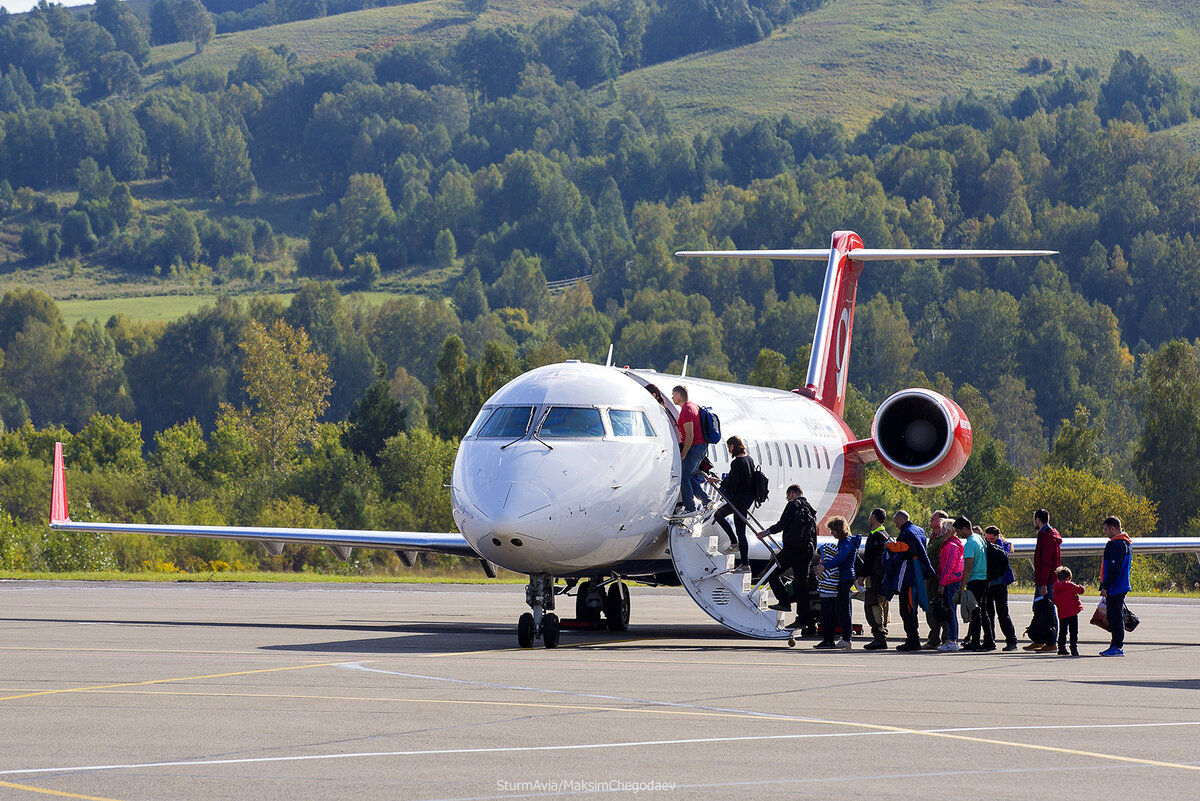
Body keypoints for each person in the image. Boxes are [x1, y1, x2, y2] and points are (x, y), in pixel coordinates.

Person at [762, 484, 819, 631]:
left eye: (788, 496)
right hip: (807, 550)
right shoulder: (811, 509)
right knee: (801, 586)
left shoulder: (793, 505)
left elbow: (782, 524)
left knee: (770, 572)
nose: (788, 499)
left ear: (792, 494)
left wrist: (766, 532)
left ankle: (784, 600)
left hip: (792, 549)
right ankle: (802, 620)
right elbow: (813, 533)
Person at [885, 510, 935, 651]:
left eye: (896, 523)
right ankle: (913, 639)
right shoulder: (919, 530)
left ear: (900, 520)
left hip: (910, 575)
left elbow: (908, 550)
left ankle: (913, 640)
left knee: (907, 608)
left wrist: (891, 546)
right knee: (912, 607)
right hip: (918, 572)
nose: (896, 526)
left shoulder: (906, 533)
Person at [711, 436, 755, 572]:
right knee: (720, 516)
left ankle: (745, 563)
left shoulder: (737, 463)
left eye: (729, 446)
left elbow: (733, 483)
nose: (729, 450)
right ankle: (735, 545)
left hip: (738, 501)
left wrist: (718, 481)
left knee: (739, 530)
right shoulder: (749, 459)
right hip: (746, 500)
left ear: (733, 446)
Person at [819, 516, 860, 649]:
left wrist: (826, 566)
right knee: (841, 609)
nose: (831, 533)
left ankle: (847, 639)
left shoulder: (846, 543)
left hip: (845, 578)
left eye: (833, 530)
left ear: (839, 530)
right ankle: (845, 638)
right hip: (845, 578)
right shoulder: (844, 542)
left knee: (843, 609)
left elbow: (841, 558)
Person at [1026, 508, 1062, 652]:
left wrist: (1042, 584)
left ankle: (1051, 641)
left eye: (1034, 519)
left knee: (1048, 610)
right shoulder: (1047, 534)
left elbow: (1046, 562)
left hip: (1047, 581)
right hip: (1046, 580)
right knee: (1040, 609)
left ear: (1038, 520)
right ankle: (1040, 639)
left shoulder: (1047, 537)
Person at [671, 385, 711, 514]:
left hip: (694, 447)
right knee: (690, 476)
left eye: (673, 394)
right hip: (701, 447)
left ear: (679, 395)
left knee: (684, 477)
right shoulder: (693, 405)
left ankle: (690, 508)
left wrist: (683, 453)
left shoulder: (686, 410)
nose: (672, 397)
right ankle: (706, 501)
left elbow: (690, 434)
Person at [1100, 516, 1133, 657]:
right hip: (1119, 585)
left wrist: (1105, 586)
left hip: (1116, 586)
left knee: (1115, 617)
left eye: (1107, 530)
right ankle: (1115, 644)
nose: (1106, 533)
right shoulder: (1124, 543)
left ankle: (1117, 646)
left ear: (1113, 528)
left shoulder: (1118, 544)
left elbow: (1114, 568)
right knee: (1115, 615)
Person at [860, 508, 893, 650]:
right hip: (882, 578)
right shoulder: (885, 535)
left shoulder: (877, 536)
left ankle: (879, 637)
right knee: (881, 605)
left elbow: (870, 560)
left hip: (875, 578)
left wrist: (862, 575)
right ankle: (880, 636)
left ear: (873, 517)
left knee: (872, 605)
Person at [959, 518, 993, 651]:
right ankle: (989, 640)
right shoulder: (979, 539)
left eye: (959, 531)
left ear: (964, 529)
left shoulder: (969, 544)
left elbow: (968, 567)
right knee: (982, 611)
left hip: (975, 580)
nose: (958, 534)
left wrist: (962, 586)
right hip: (984, 579)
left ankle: (975, 642)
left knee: (975, 612)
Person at [983, 526, 1019, 651]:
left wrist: (997, 542)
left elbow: (1004, 555)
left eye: (991, 539)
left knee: (1002, 613)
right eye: (987, 539)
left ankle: (1011, 640)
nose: (989, 541)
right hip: (989, 583)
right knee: (988, 613)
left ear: (997, 536)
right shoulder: (985, 546)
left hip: (1000, 584)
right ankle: (990, 640)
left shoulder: (1005, 544)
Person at [936, 520, 964, 651]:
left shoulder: (951, 546)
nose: (941, 531)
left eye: (944, 528)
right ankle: (950, 639)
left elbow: (948, 567)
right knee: (949, 611)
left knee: (951, 611)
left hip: (951, 581)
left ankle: (953, 640)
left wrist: (942, 583)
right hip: (951, 580)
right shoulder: (950, 544)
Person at [924, 509, 949, 649]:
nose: (930, 521)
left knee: (941, 607)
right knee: (931, 607)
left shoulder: (943, 539)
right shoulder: (933, 537)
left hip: (938, 578)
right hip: (930, 577)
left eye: (933, 519)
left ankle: (945, 638)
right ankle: (933, 638)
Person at [812, 537, 841, 649]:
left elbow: (820, 577)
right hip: (831, 593)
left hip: (827, 594)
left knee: (827, 618)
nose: (820, 559)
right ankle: (829, 640)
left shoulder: (828, 568)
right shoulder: (834, 566)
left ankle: (827, 640)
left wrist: (819, 571)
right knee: (829, 618)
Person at [1052, 566, 1085, 656]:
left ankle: (1061, 647)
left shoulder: (1056, 588)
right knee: (1073, 631)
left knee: (1063, 631)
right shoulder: (1070, 585)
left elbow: (1054, 600)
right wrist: (1080, 586)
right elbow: (1081, 590)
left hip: (1062, 612)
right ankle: (1073, 647)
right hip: (1073, 612)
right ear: (1068, 578)